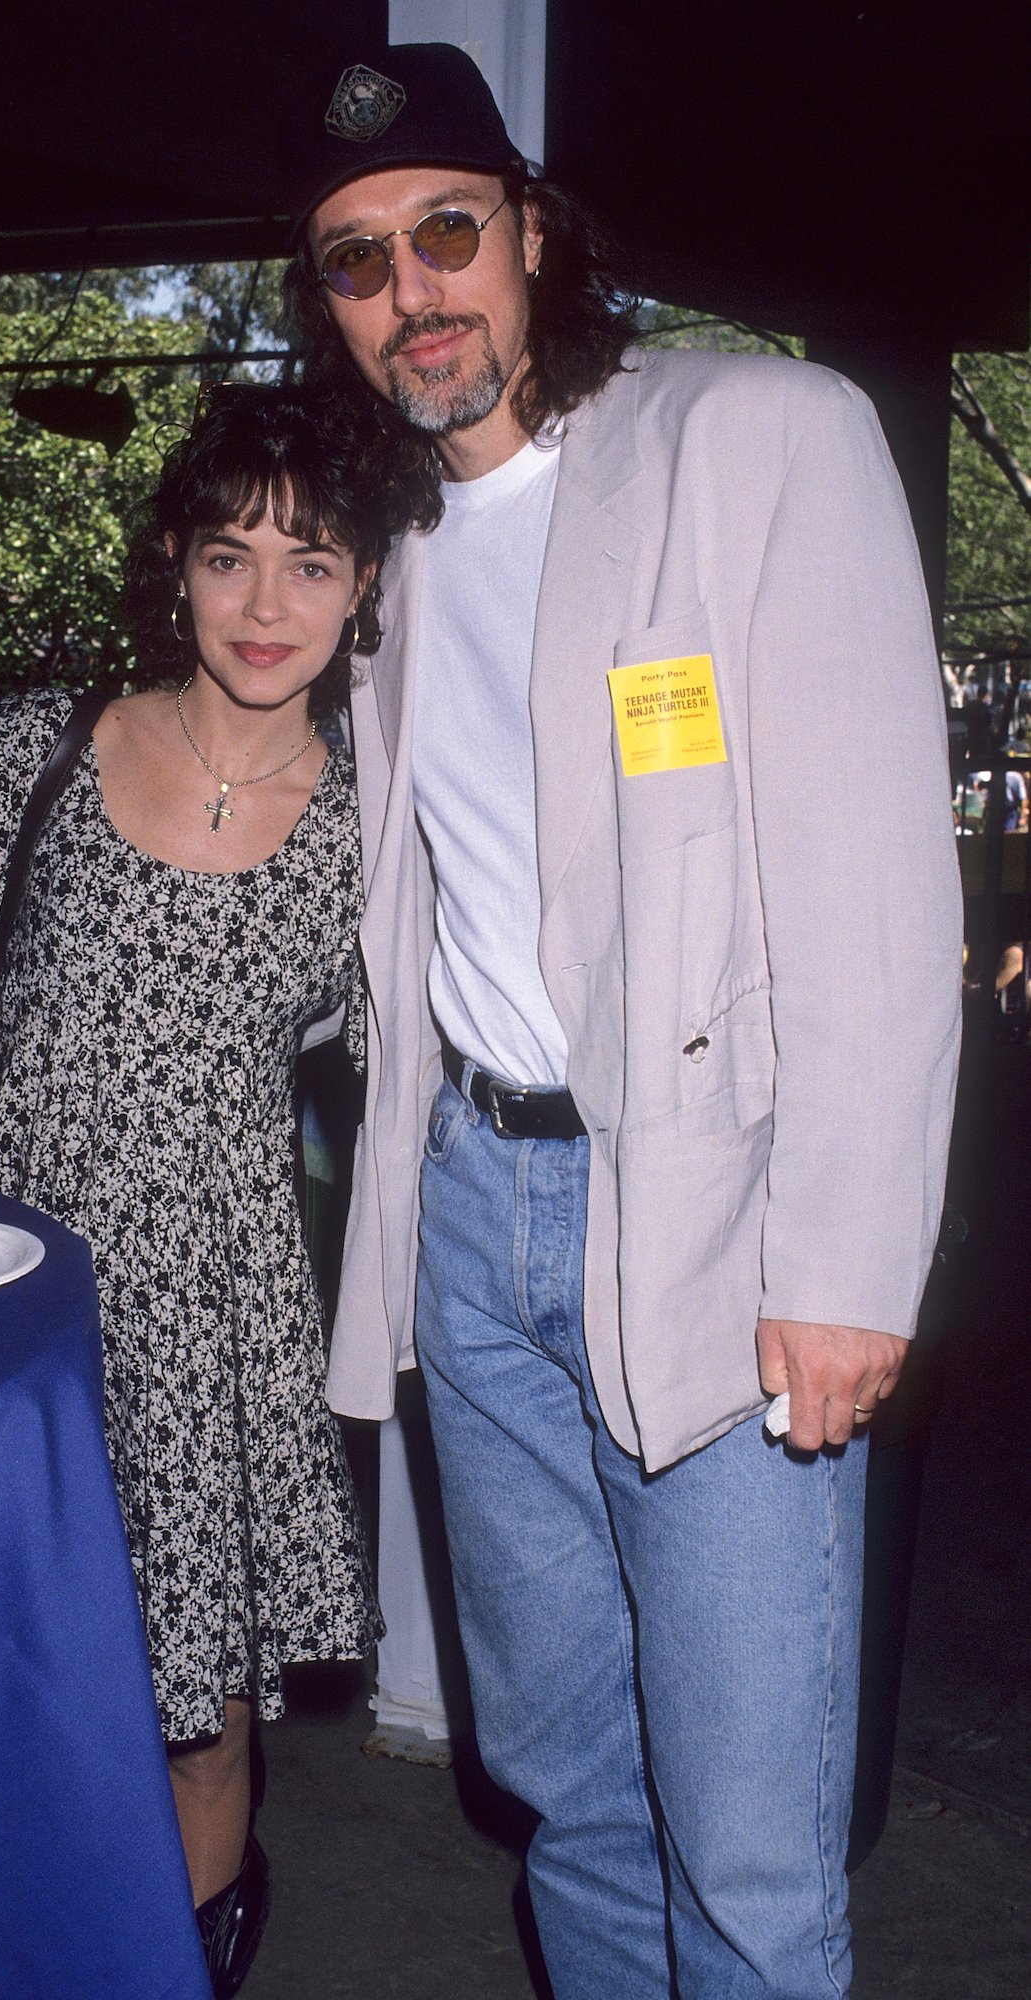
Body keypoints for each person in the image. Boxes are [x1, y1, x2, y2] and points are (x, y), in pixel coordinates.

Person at [281, 42, 963, 1999]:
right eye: (352, 262)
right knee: (566, 1788)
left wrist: (842, 1258)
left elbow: (865, 890)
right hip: (474, 1224)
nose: (408, 291)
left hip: (708, 1222)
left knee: (744, 1844)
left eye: (441, 234)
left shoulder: (756, 439)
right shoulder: (385, 541)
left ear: (527, 237)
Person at [0, 382, 430, 1998]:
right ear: (174, 564)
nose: (265, 606)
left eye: (310, 563)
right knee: (7, 1675)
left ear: (367, 583)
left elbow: (424, 1067)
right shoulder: (48, 740)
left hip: (211, 1310)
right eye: (229, 555)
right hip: (0, 1296)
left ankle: (188, 1953)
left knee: (192, 1703)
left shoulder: (386, 819)